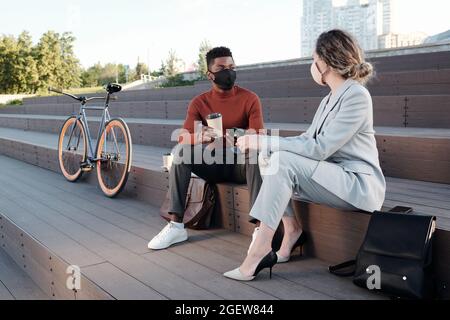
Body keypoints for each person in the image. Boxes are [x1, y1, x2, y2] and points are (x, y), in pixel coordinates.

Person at [223, 29, 386, 281]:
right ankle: (291, 230)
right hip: (333, 178)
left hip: (358, 185)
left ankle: (260, 249)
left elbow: (319, 149)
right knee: (269, 155)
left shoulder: (356, 96)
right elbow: (306, 141)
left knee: (280, 159)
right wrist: (263, 143)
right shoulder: (329, 99)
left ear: (325, 62)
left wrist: (262, 139)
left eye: (313, 59)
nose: (312, 65)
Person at [148, 46, 265, 250]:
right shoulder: (199, 102)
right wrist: (200, 136)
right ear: (209, 74)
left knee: (254, 153)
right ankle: (176, 225)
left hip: (241, 165)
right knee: (181, 152)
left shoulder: (250, 98)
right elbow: (183, 137)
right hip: (212, 163)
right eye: (221, 67)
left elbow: (259, 135)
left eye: (231, 66)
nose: (228, 72)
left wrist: (233, 135)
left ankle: (260, 230)